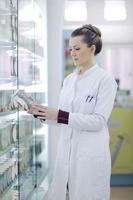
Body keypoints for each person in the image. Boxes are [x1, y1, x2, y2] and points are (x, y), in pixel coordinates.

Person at [28, 24, 117, 200]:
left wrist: (60, 115)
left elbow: (98, 121)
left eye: (77, 48)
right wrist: (39, 112)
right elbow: (62, 119)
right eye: (70, 49)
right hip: (66, 155)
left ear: (92, 49)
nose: (72, 53)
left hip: (89, 157)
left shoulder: (105, 80)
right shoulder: (69, 80)